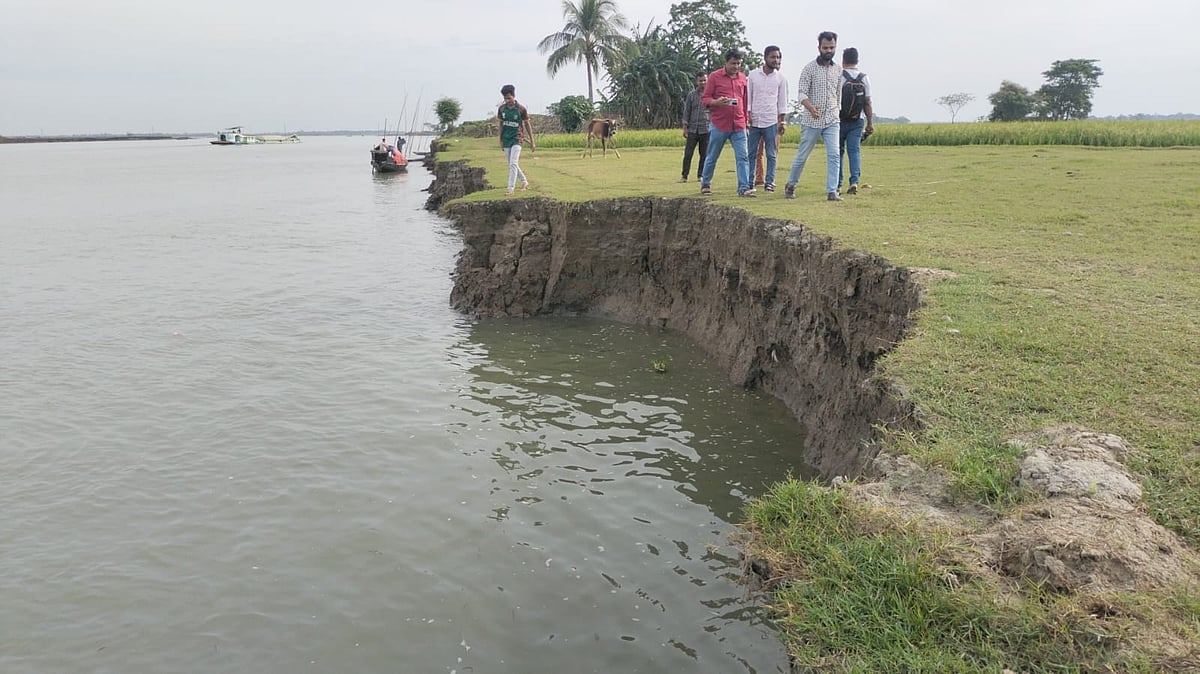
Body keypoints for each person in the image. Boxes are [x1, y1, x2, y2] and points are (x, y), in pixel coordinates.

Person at [784, 31, 844, 202]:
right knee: (803, 155)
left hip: (832, 119)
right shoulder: (809, 68)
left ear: (835, 47)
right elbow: (801, 92)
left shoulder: (838, 70)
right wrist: (810, 107)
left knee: (834, 154)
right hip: (812, 121)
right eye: (825, 48)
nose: (828, 51)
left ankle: (832, 191)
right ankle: (791, 184)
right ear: (819, 47)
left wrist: (837, 111)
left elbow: (838, 94)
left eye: (831, 48)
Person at [699, 49, 754, 197]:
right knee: (712, 155)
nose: (736, 67)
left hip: (739, 124)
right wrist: (716, 102)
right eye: (733, 63)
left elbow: (745, 100)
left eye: (738, 64)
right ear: (726, 62)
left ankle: (743, 187)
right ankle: (705, 184)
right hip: (719, 124)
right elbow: (705, 99)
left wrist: (747, 121)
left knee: (743, 156)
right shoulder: (714, 77)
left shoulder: (743, 78)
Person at [746, 45, 788, 193]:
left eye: (778, 57)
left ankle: (770, 182)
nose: (776, 60)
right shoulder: (752, 75)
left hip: (771, 121)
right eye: (773, 57)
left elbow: (782, 102)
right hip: (754, 121)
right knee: (751, 153)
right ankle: (748, 182)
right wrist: (748, 115)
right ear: (765, 58)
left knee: (771, 153)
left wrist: (782, 121)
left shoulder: (781, 79)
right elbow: (748, 97)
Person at [838, 48, 874, 195]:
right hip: (857, 120)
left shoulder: (839, 77)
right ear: (857, 61)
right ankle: (854, 182)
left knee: (837, 153)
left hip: (839, 120)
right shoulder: (864, 78)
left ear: (843, 60)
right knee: (854, 151)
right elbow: (867, 102)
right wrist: (870, 123)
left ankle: (837, 184)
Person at [497, 84, 536, 196]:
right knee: (511, 164)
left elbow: (527, 124)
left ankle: (510, 188)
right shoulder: (501, 109)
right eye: (505, 98)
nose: (507, 100)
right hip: (506, 139)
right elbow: (500, 124)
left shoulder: (521, 109)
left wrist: (532, 141)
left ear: (514, 96)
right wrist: (499, 139)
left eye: (509, 98)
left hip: (517, 139)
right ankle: (524, 181)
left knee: (513, 162)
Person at [679, 72, 710, 183]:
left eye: (704, 80)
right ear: (696, 82)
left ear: (708, 81)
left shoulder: (711, 96)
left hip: (706, 129)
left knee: (704, 154)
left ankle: (700, 175)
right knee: (688, 154)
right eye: (700, 80)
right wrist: (685, 127)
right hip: (692, 129)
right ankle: (684, 176)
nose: (702, 83)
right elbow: (687, 111)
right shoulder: (692, 95)